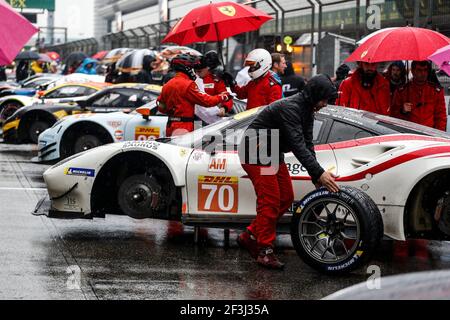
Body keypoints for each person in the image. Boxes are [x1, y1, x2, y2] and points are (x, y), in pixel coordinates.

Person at [237, 74, 340, 269]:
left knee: (285, 198)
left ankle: (249, 235)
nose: (325, 104)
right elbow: (298, 146)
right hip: (257, 151)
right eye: (324, 99)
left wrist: (315, 175)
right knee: (270, 201)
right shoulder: (291, 108)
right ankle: (264, 251)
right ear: (314, 94)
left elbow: (308, 144)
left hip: (271, 149)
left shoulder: (307, 109)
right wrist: (319, 173)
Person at [157, 53, 231, 137]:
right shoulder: (188, 84)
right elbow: (207, 101)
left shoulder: (168, 84)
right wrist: (223, 96)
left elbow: (161, 108)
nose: (194, 72)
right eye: (193, 68)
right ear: (187, 68)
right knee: (184, 150)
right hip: (184, 126)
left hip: (170, 125)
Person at [390, 60, 447, 131]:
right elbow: (392, 116)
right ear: (413, 71)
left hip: (430, 135)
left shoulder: (436, 91)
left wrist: (438, 135)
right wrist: (402, 110)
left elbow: (441, 117)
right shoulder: (401, 91)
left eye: (425, 70)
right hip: (408, 134)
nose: (423, 73)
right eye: (419, 70)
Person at [195, 51, 233, 117]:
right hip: (196, 115)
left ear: (207, 68)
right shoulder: (192, 78)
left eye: (199, 71)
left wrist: (224, 108)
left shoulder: (216, 79)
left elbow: (226, 96)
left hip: (212, 115)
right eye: (196, 71)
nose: (197, 74)